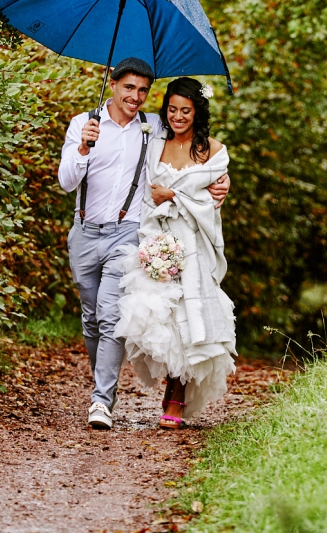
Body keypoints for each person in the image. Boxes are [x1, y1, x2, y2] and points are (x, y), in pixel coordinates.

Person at [57, 59, 229, 430]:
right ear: (113, 84)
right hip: (84, 231)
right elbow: (66, 182)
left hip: (127, 232)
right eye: (129, 88)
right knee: (91, 318)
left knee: (110, 315)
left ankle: (102, 400)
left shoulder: (151, 127)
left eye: (143, 90)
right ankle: (103, 381)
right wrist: (83, 148)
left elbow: (195, 148)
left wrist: (222, 182)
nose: (135, 97)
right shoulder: (83, 124)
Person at [114, 77, 235, 429]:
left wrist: (174, 196)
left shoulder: (214, 151)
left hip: (195, 243)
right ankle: (170, 382)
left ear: (198, 112)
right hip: (160, 240)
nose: (178, 117)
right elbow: (146, 194)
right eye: (172, 109)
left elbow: (210, 203)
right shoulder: (155, 145)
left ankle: (177, 395)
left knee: (190, 317)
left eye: (185, 110)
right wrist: (151, 240)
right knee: (161, 318)